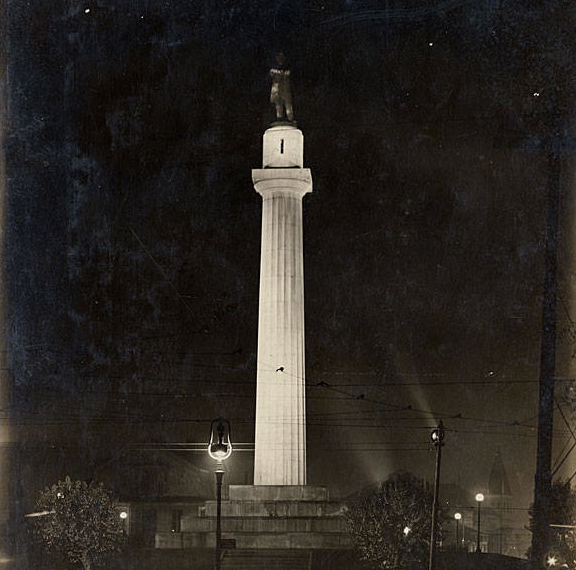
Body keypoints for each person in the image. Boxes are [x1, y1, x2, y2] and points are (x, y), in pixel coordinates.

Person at [270, 53, 294, 122]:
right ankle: (279, 118)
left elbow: (289, 73)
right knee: (278, 104)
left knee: (288, 104)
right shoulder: (274, 67)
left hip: (285, 89)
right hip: (277, 89)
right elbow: (271, 73)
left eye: (282, 57)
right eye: (279, 57)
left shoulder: (287, 67)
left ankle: (290, 118)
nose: (280, 58)